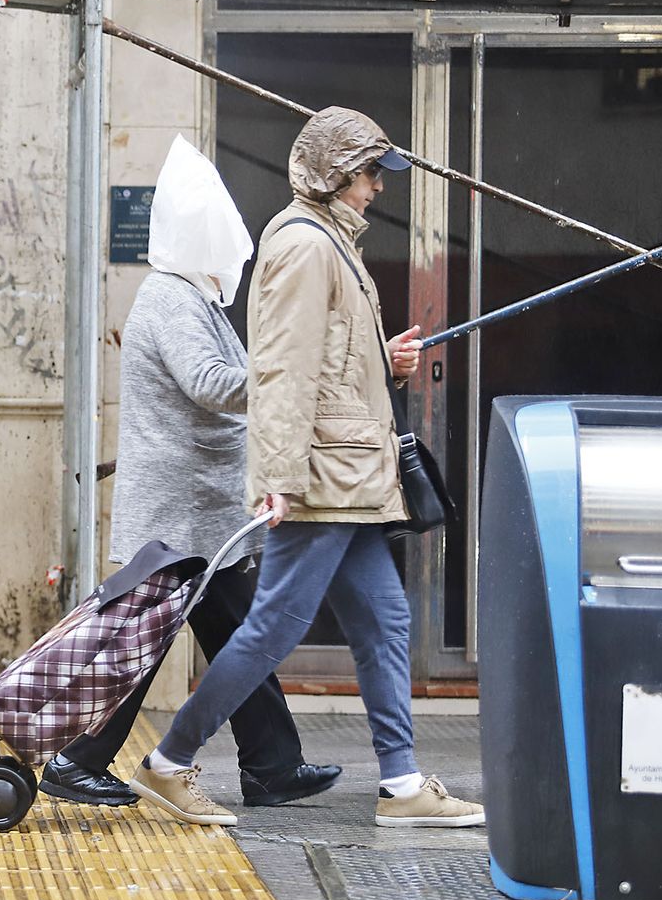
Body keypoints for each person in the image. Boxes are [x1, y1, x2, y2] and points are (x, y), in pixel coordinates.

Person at [127, 106, 484, 829]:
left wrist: (384, 359)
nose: (376, 187)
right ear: (331, 174)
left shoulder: (332, 245)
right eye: (366, 173)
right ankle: (168, 762)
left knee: (385, 620)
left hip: (350, 480)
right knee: (270, 632)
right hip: (320, 479)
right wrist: (279, 476)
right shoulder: (302, 246)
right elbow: (283, 372)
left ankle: (403, 781)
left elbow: (325, 362)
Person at [40, 136, 341, 810]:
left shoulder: (194, 299)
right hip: (179, 518)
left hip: (206, 514)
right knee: (146, 646)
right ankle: (75, 759)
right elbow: (209, 383)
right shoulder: (171, 298)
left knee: (240, 637)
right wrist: (283, 376)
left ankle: (272, 763)